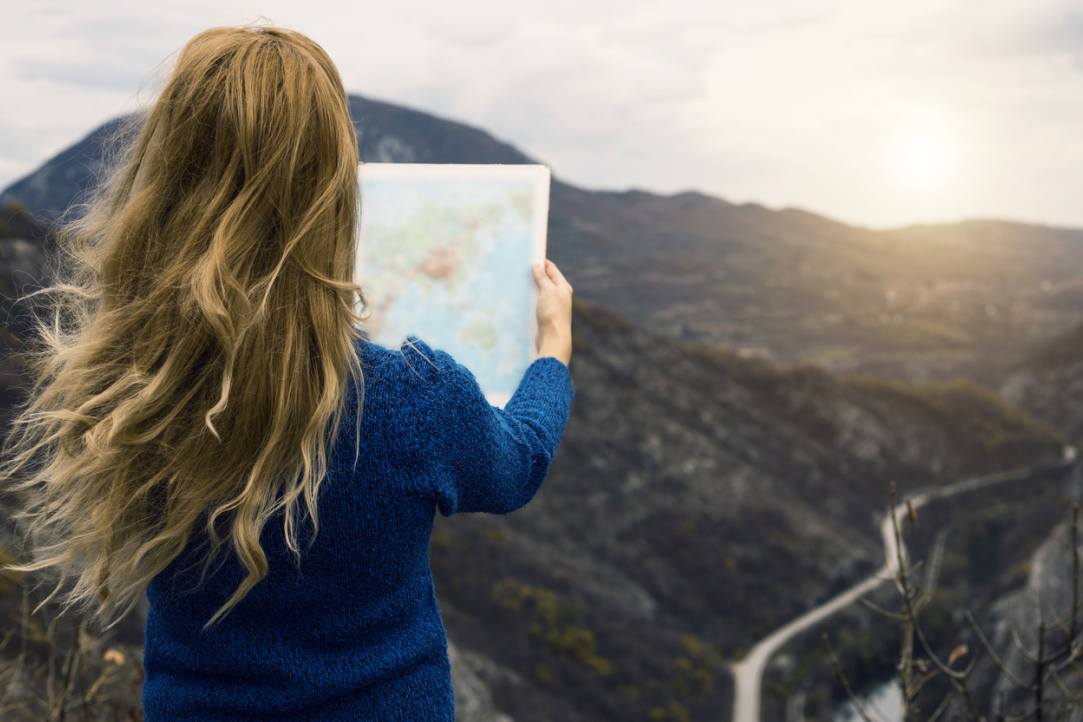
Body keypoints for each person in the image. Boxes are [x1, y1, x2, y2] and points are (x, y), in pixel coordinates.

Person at [0, 25, 574, 721]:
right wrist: (550, 350)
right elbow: (518, 464)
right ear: (334, 188)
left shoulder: (132, 388)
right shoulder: (409, 399)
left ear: (165, 176)